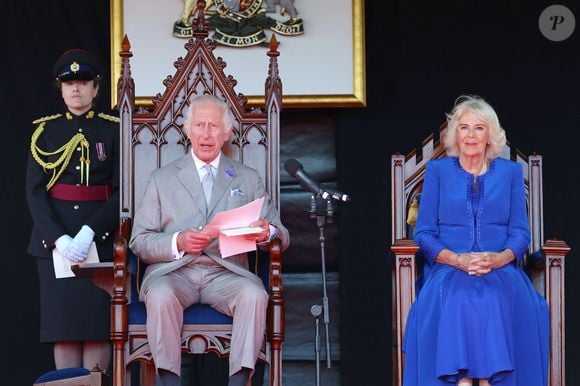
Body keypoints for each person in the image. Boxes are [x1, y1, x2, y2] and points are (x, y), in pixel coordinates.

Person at [129, 94, 290, 386]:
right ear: (187, 130)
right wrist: (178, 241)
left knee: (255, 296)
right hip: (175, 273)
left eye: (214, 126)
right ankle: (168, 381)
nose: (206, 133)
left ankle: (240, 380)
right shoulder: (161, 179)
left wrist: (268, 233)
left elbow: (281, 233)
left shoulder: (247, 178)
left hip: (226, 274)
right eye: (199, 125)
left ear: (227, 132)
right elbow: (139, 241)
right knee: (161, 295)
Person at [402, 95, 549, 386]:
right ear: (454, 133)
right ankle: (468, 381)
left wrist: (499, 258)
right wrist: (457, 259)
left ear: (491, 135)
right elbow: (424, 233)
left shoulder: (509, 173)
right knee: (460, 296)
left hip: (501, 268)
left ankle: (479, 381)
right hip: (448, 268)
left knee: (492, 297)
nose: (470, 135)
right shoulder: (437, 172)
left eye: (479, 128)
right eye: (464, 127)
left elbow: (520, 233)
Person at [26, 49, 119, 372]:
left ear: (96, 88)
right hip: (56, 244)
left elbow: (121, 193)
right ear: (60, 89)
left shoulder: (113, 129)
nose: (76, 89)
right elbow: (35, 194)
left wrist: (91, 231)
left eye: (83, 82)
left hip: (100, 239)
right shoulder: (45, 131)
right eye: (69, 83)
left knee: (97, 330)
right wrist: (58, 239)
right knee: (63, 331)